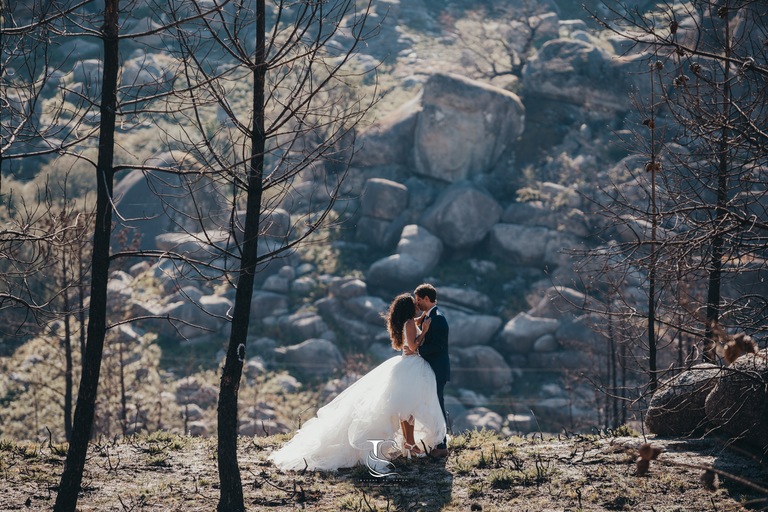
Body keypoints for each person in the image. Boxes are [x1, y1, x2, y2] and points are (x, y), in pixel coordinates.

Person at [268, 293, 446, 471]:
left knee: (406, 409)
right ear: (409, 307)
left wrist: (421, 320)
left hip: (407, 364)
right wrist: (426, 332)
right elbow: (414, 346)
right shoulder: (409, 323)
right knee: (408, 408)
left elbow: (410, 337)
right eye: (415, 304)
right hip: (411, 365)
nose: (418, 306)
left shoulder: (407, 322)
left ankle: (409, 444)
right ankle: (410, 443)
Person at [413, 283, 450, 457]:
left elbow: (438, 346)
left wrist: (417, 350)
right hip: (429, 370)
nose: (417, 303)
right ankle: (436, 440)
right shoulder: (428, 317)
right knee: (430, 404)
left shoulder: (438, 318)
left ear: (427, 299)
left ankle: (441, 445)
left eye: (419, 300)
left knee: (437, 404)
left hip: (437, 370)